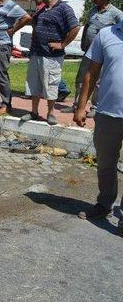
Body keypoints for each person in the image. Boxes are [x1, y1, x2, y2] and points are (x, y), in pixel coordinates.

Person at [73, 17, 123, 235]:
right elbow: (91, 73)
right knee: (105, 163)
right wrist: (81, 106)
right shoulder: (107, 34)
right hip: (108, 113)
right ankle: (104, 204)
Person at [21, 0, 79, 125]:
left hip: (51, 56)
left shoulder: (64, 8)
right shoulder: (43, 9)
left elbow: (75, 28)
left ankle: (50, 113)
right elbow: (35, 23)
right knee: (34, 84)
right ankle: (34, 112)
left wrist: (62, 44)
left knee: (51, 85)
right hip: (36, 53)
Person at [62, 0, 123, 117]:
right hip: (89, 52)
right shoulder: (93, 10)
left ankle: (95, 107)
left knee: (98, 81)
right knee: (81, 78)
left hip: (103, 55)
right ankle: (77, 105)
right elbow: (88, 27)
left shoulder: (116, 14)